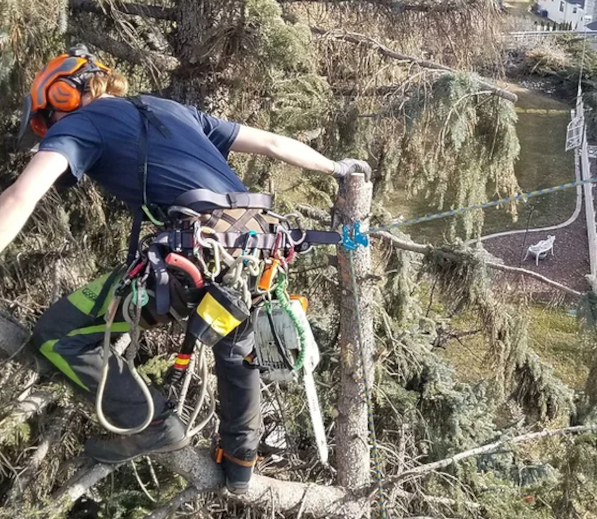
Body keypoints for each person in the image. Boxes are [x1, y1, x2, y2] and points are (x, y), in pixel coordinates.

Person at [0, 45, 370, 494]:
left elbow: (21, 196)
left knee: (60, 331)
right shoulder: (171, 109)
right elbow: (272, 143)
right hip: (257, 245)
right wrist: (337, 168)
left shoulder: (78, 123)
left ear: (61, 96)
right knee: (235, 338)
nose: (49, 132)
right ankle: (239, 463)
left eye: (46, 120)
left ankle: (150, 421)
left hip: (195, 250)